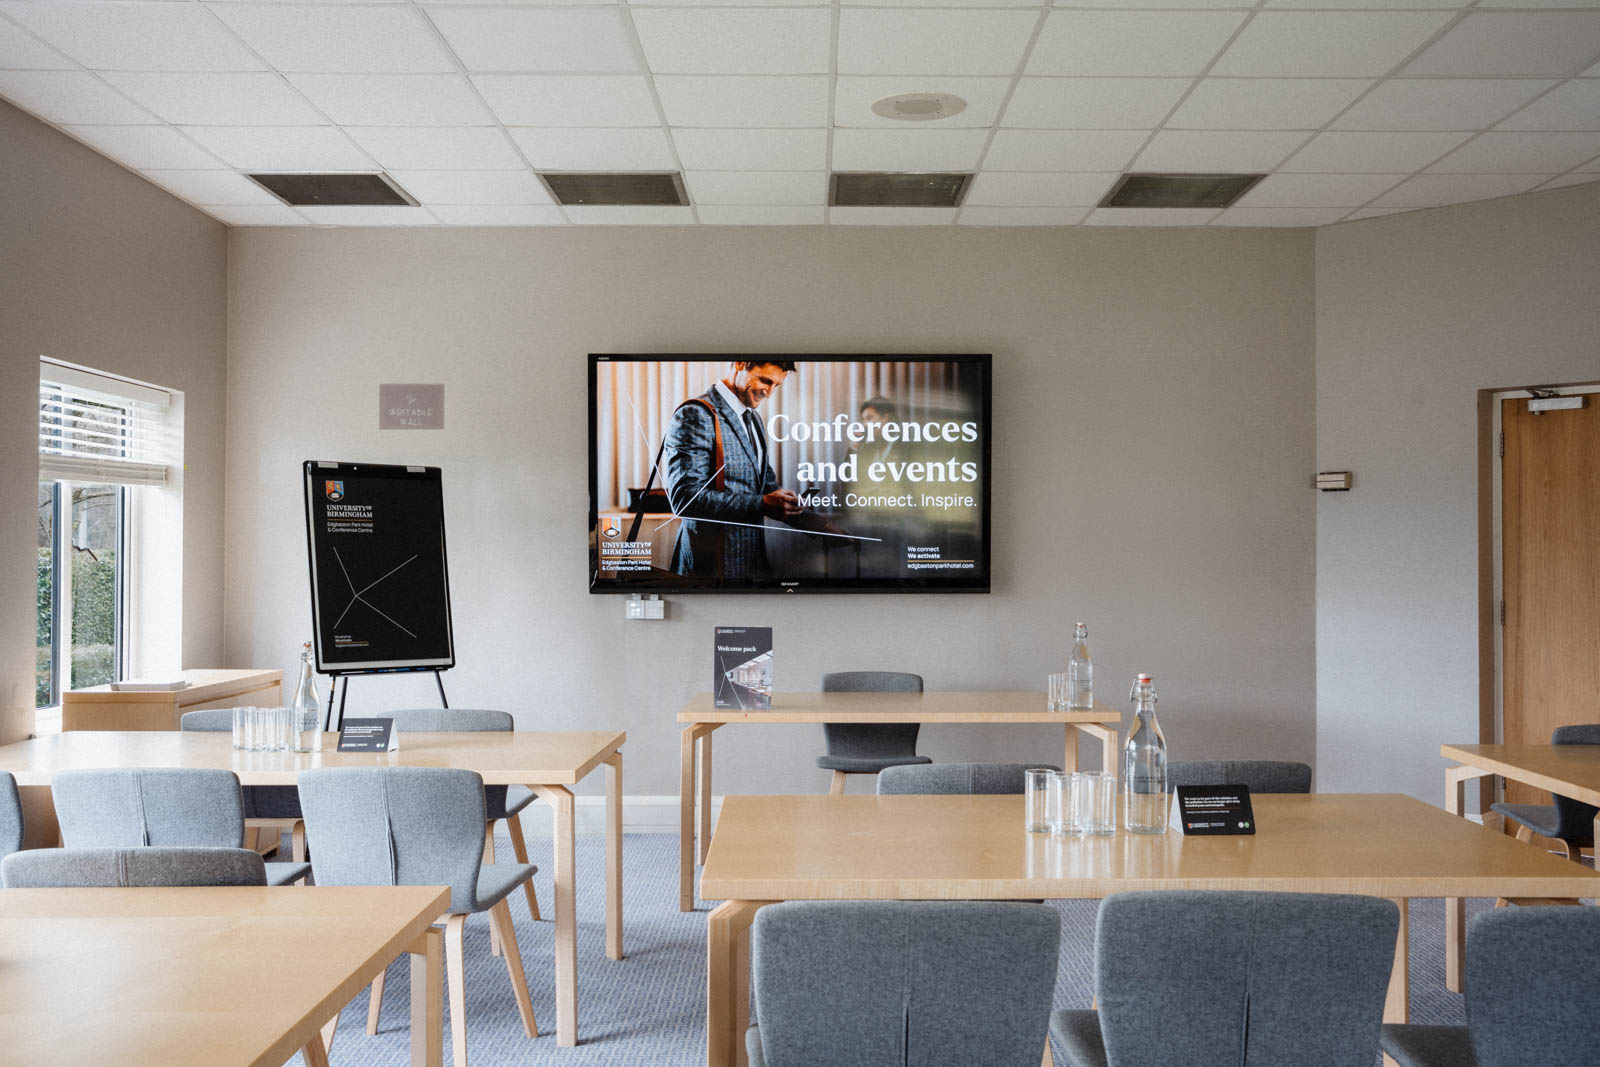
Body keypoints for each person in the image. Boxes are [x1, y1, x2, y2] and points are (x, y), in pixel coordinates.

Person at [662, 360, 804, 580]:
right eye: (765, 381)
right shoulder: (696, 413)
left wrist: (821, 525)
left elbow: (768, 488)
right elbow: (685, 500)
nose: (769, 393)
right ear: (740, 364)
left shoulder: (753, 418)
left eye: (777, 385)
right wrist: (762, 503)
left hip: (751, 568)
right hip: (708, 571)